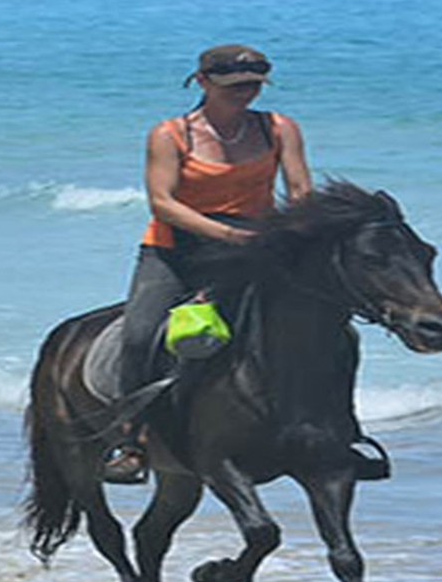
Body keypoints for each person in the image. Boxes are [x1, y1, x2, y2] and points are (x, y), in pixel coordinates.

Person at [105, 44, 311, 483]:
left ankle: (331, 429)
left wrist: (301, 235)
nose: (246, 94)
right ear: (202, 83)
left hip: (257, 246)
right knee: (141, 335)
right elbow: (163, 203)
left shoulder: (279, 128)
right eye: (235, 86)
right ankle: (130, 440)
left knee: (319, 323)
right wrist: (228, 236)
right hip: (175, 249)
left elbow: (300, 190)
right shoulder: (171, 134)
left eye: (254, 85)